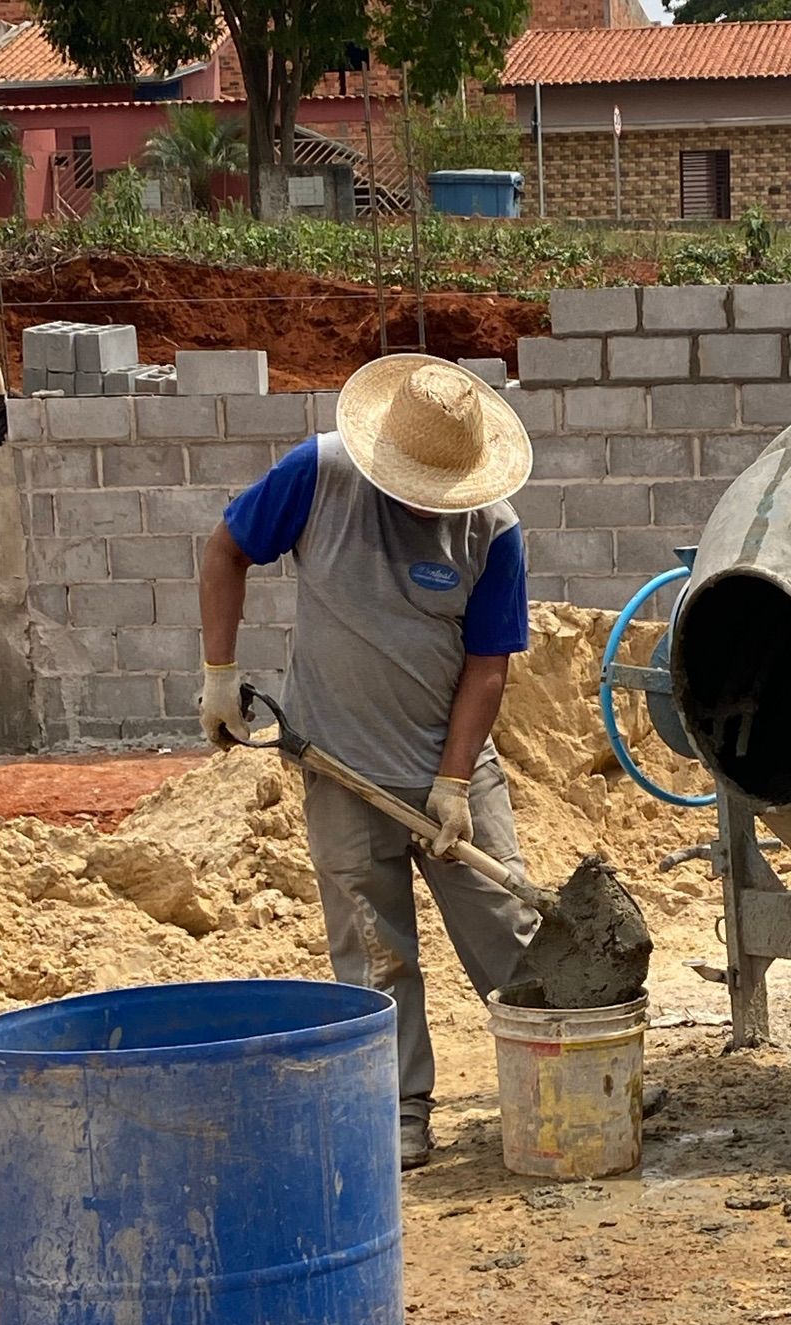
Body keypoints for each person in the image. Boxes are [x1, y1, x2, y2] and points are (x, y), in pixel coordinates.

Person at [197, 355, 538, 1171]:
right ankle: (399, 1109)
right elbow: (225, 551)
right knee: (373, 949)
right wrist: (218, 673)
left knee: (509, 928)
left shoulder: (492, 529)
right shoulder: (319, 476)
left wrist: (453, 782)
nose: (425, 504)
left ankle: (565, 1070)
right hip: (340, 764)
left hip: (450, 769)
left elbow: (487, 666)